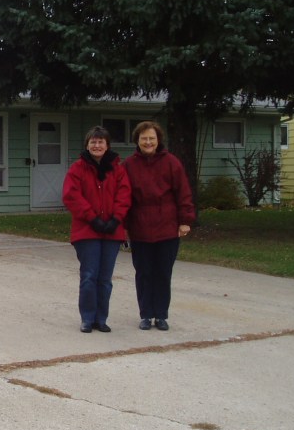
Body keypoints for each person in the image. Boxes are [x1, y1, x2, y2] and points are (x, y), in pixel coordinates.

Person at [123, 121, 196, 331]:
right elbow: (124, 198)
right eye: (144, 138)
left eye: (151, 138)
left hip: (167, 228)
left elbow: (183, 193)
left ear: (158, 140)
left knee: (163, 272)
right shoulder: (128, 165)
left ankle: (161, 315)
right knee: (144, 272)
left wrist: (185, 220)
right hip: (140, 229)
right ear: (137, 140)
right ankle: (146, 314)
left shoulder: (171, 163)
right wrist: (124, 226)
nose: (148, 142)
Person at [62, 126, 132, 333]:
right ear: (87, 145)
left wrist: (116, 219)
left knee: (105, 278)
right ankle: (87, 318)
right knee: (89, 275)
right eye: (93, 141)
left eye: (101, 142)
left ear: (107, 145)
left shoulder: (118, 169)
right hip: (87, 231)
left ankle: (101, 318)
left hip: (111, 231)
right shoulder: (77, 169)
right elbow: (71, 196)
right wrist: (92, 218)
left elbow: (125, 195)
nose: (97, 145)